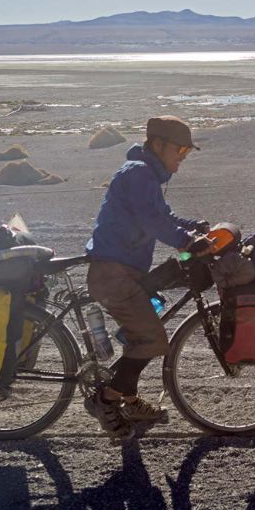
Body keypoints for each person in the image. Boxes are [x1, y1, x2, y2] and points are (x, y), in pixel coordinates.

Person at [84, 115, 209, 438]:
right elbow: (152, 220)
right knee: (151, 339)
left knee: (141, 335)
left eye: (185, 154)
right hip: (113, 275)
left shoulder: (146, 176)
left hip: (121, 272)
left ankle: (129, 398)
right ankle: (105, 399)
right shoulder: (139, 174)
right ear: (157, 144)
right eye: (178, 151)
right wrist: (185, 242)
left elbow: (164, 216)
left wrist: (194, 227)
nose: (181, 160)